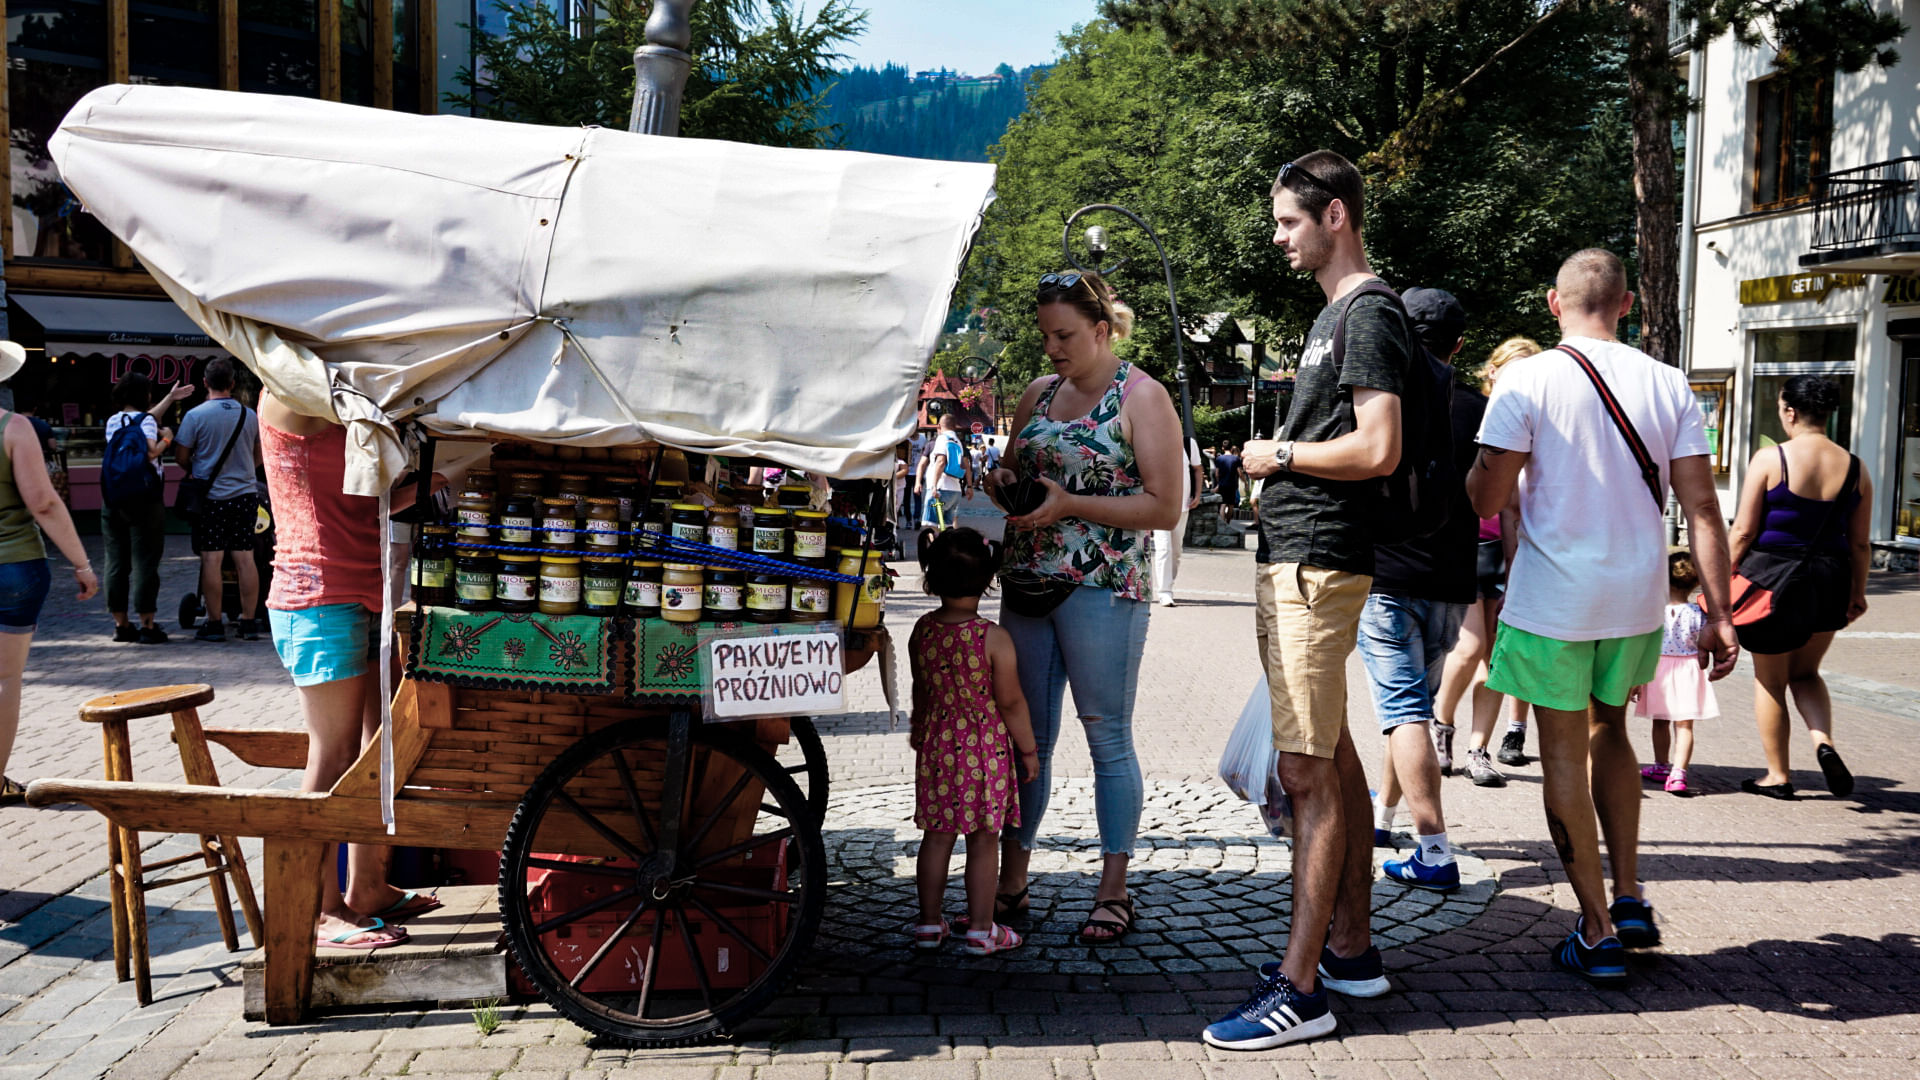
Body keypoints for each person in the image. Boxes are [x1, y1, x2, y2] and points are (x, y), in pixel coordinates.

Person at [1467, 248, 1738, 986]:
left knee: (1562, 754)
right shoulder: (1668, 381)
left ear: (1554, 304)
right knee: (1611, 730)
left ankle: (1594, 930)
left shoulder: (1525, 379)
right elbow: (1703, 507)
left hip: (1553, 599)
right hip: (1636, 597)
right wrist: (1719, 612)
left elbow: (1486, 499)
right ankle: (1629, 895)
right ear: (1626, 304)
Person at [1205, 152, 1408, 1052]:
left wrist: (1275, 455)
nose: (1279, 237)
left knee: (1304, 773)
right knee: (1331, 754)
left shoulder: (1367, 312)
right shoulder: (1334, 314)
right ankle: (1350, 952)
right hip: (1300, 558)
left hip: (1318, 564)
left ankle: (1299, 989)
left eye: (1290, 221)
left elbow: (1378, 448)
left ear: (1335, 215)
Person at [985, 268, 1183, 948]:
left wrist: (1070, 504)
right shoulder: (1039, 393)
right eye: (1046, 335)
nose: (1052, 348)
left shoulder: (1142, 396)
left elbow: (1165, 506)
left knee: (1107, 737)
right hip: (1027, 583)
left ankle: (1113, 889)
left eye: (1064, 335)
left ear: (1101, 331)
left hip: (1103, 586)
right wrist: (1003, 481)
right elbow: (1018, 471)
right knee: (1024, 740)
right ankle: (1012, 879)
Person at [261, 392, 440, 949]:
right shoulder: (293, 389)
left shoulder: (337, 390)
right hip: (318, 594)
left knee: (379, 745)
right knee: (333, 754)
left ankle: (367, 888)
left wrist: (434, 480)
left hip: (366, 587)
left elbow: (361, 498)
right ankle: (317, 910)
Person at [1358, 287, 1481, 890]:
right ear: (1458, 344)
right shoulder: (1480, 408)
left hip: (1387, 576)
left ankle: (1434, 850)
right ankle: (1383, 819)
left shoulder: (1382, 399)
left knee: (1403, 714)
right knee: (1409, 710)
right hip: (1452, 581)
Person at [1727, 375, 1870, 799]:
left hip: (1774, 580)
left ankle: (1777, 775)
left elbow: (1743, 531)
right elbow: (1860, 543)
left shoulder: (1771, 459)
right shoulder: (1856, 467)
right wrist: (1857, 593)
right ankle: (1823, 742)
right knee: (1806, 673)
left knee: (1770, 680)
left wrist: (1717, 581)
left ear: (1790, 411)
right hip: (1831, 579)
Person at [908, 527, 1040, 956]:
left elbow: (921, 689)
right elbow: (1011, 702)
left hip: (938, 746)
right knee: (984, 839)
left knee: (936, 836)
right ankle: (983, 929)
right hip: (984, 750)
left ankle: (929, 925)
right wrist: (1028, 749)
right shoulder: (993, 638)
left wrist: (918, 728)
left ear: (931, 577)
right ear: (988, 580)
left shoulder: (922, 631)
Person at [1432, 337, 1541, 786]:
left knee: (1497, 659)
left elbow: (1514, 509)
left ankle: (1479, 750)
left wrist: (1516, 567)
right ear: (1492, 371)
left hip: (1503, 548)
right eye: (1513, 370)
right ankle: (1440, 725)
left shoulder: (1531, 424)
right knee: (1470, 647)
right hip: (1463, 545)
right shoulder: (1470, 412)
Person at [0, 341, 100, 804]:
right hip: (14, 566)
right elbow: (43, 502)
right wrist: (81, 563)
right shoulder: (13, 428)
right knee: (4, 679)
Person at [173, 358, 263, 642]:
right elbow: (259, 455)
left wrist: (200, 468)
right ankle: (248, 622)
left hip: (211, 498)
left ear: (205, 383)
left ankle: (214, 624)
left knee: (211, 559)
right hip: (245, 495)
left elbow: (181, 457)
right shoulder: (249, 415)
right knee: (245, 558)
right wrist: (244, 471)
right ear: (232, 384)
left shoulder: (195, 416)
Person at [103, 374, 193, 644]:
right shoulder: (149, 423)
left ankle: (121, 624)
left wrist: (170, 398)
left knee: (116, 562)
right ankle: (147, 624)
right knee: (145, 561)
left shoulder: (113, 421)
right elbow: (151, 452)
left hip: (113, 498)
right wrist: (168, 439)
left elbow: (144, 419)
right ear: (145, 395)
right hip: (145, 499)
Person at [1634, 550, 1719, 797]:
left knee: (1660, 722)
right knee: (1684, 725)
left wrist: (1636, 677)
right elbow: (1708, 640)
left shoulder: (1654, 611)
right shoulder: (1699, 613)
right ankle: (1679, 773)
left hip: (1657, 669)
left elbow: (1643, 643)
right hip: (1688, 670)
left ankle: (1661, 765)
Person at [1150, 434, 1205, 607]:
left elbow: (1197, 469)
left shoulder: (1187, 443)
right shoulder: (1153, 440)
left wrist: (1197, 494)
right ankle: (1164, 591)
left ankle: (1168, 583)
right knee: (1164, 548)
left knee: (1176, 552)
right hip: (1160, 506)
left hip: (1182, 505)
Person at [919, 414, 972, 528]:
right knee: (946, 527)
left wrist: (934, 485)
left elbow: (941, 462)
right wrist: (969, 486)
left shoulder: (942, 438)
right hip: (955, 491)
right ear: (955, 426)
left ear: (939, 426)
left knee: (931, 526)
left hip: (940, 489)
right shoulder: (958, 441)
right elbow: (966, 465)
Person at [1213, 444, 1243, 522]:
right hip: (1232, 484)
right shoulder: (1236, 458)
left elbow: (1216, 474)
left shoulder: (1219, 458)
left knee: (1223, 504)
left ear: (1223, 448)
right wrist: (1245, 482)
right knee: (1231, 505)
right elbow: (1240, 473)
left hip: (1222, 484)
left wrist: (1219, 482)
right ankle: (1228, 523)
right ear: (1230, 448)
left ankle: (1223, 524)